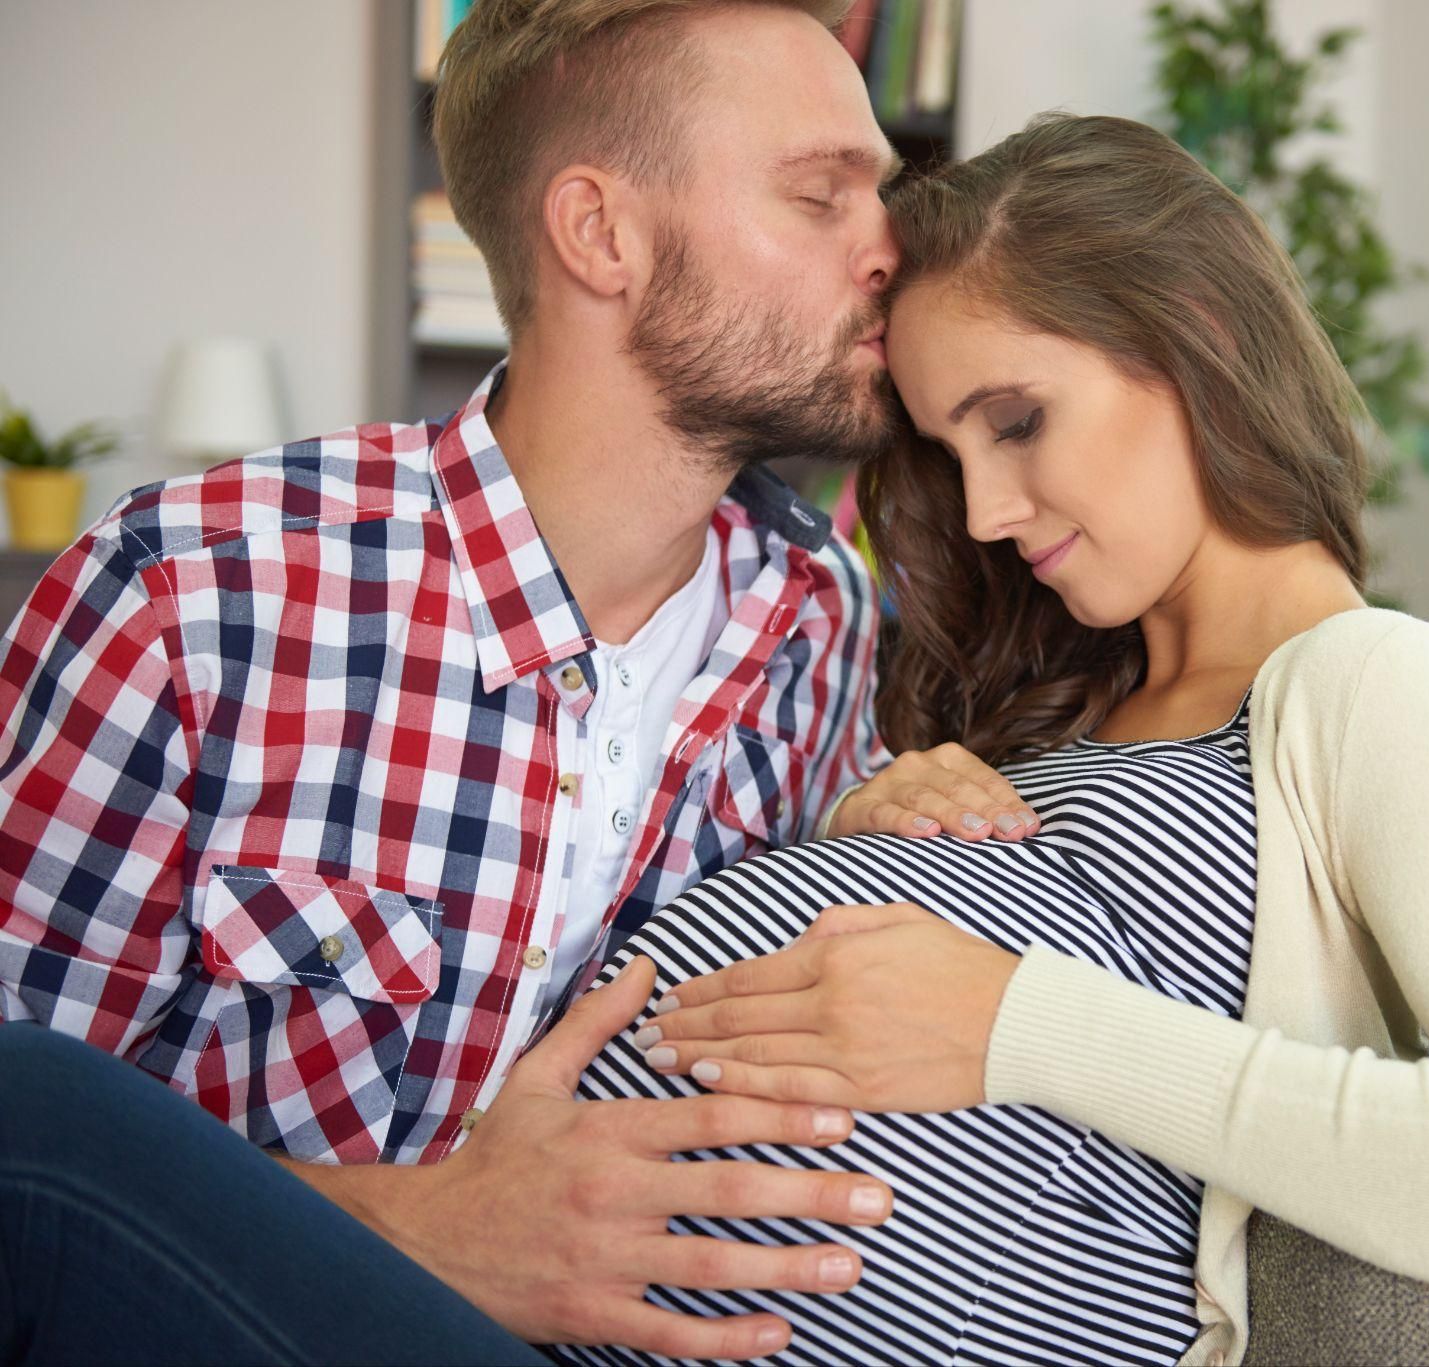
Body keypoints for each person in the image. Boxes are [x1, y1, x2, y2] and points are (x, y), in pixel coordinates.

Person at [0, 2, 1031, 1361]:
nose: (894, 248)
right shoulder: (189, 592)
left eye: (884, 191)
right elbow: (43, 1179)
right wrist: (426, 1224)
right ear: (600, 233)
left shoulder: (819, 619)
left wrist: (880, 827)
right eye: (818, 195)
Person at [573, 113, 1429, 1366]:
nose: (987, 513)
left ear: (1195, 334)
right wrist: (863, 821)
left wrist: (1015, 1017)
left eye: (1016, 420)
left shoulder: (1369, 683)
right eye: (952, 453)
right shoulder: (1059, 691)